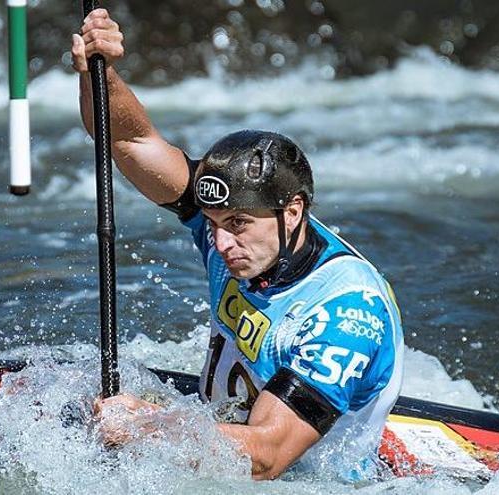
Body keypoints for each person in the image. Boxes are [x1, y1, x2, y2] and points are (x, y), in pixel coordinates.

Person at [73, 9, 404, 480]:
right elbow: (127, 139)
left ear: (293, 212)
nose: (222, 243)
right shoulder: (239, 231)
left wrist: (147, 428)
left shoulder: (346, 314)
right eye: (211, 223)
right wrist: (98, 71)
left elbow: (267, 457)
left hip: (307, 480)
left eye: (239, 223)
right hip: (221, 439)